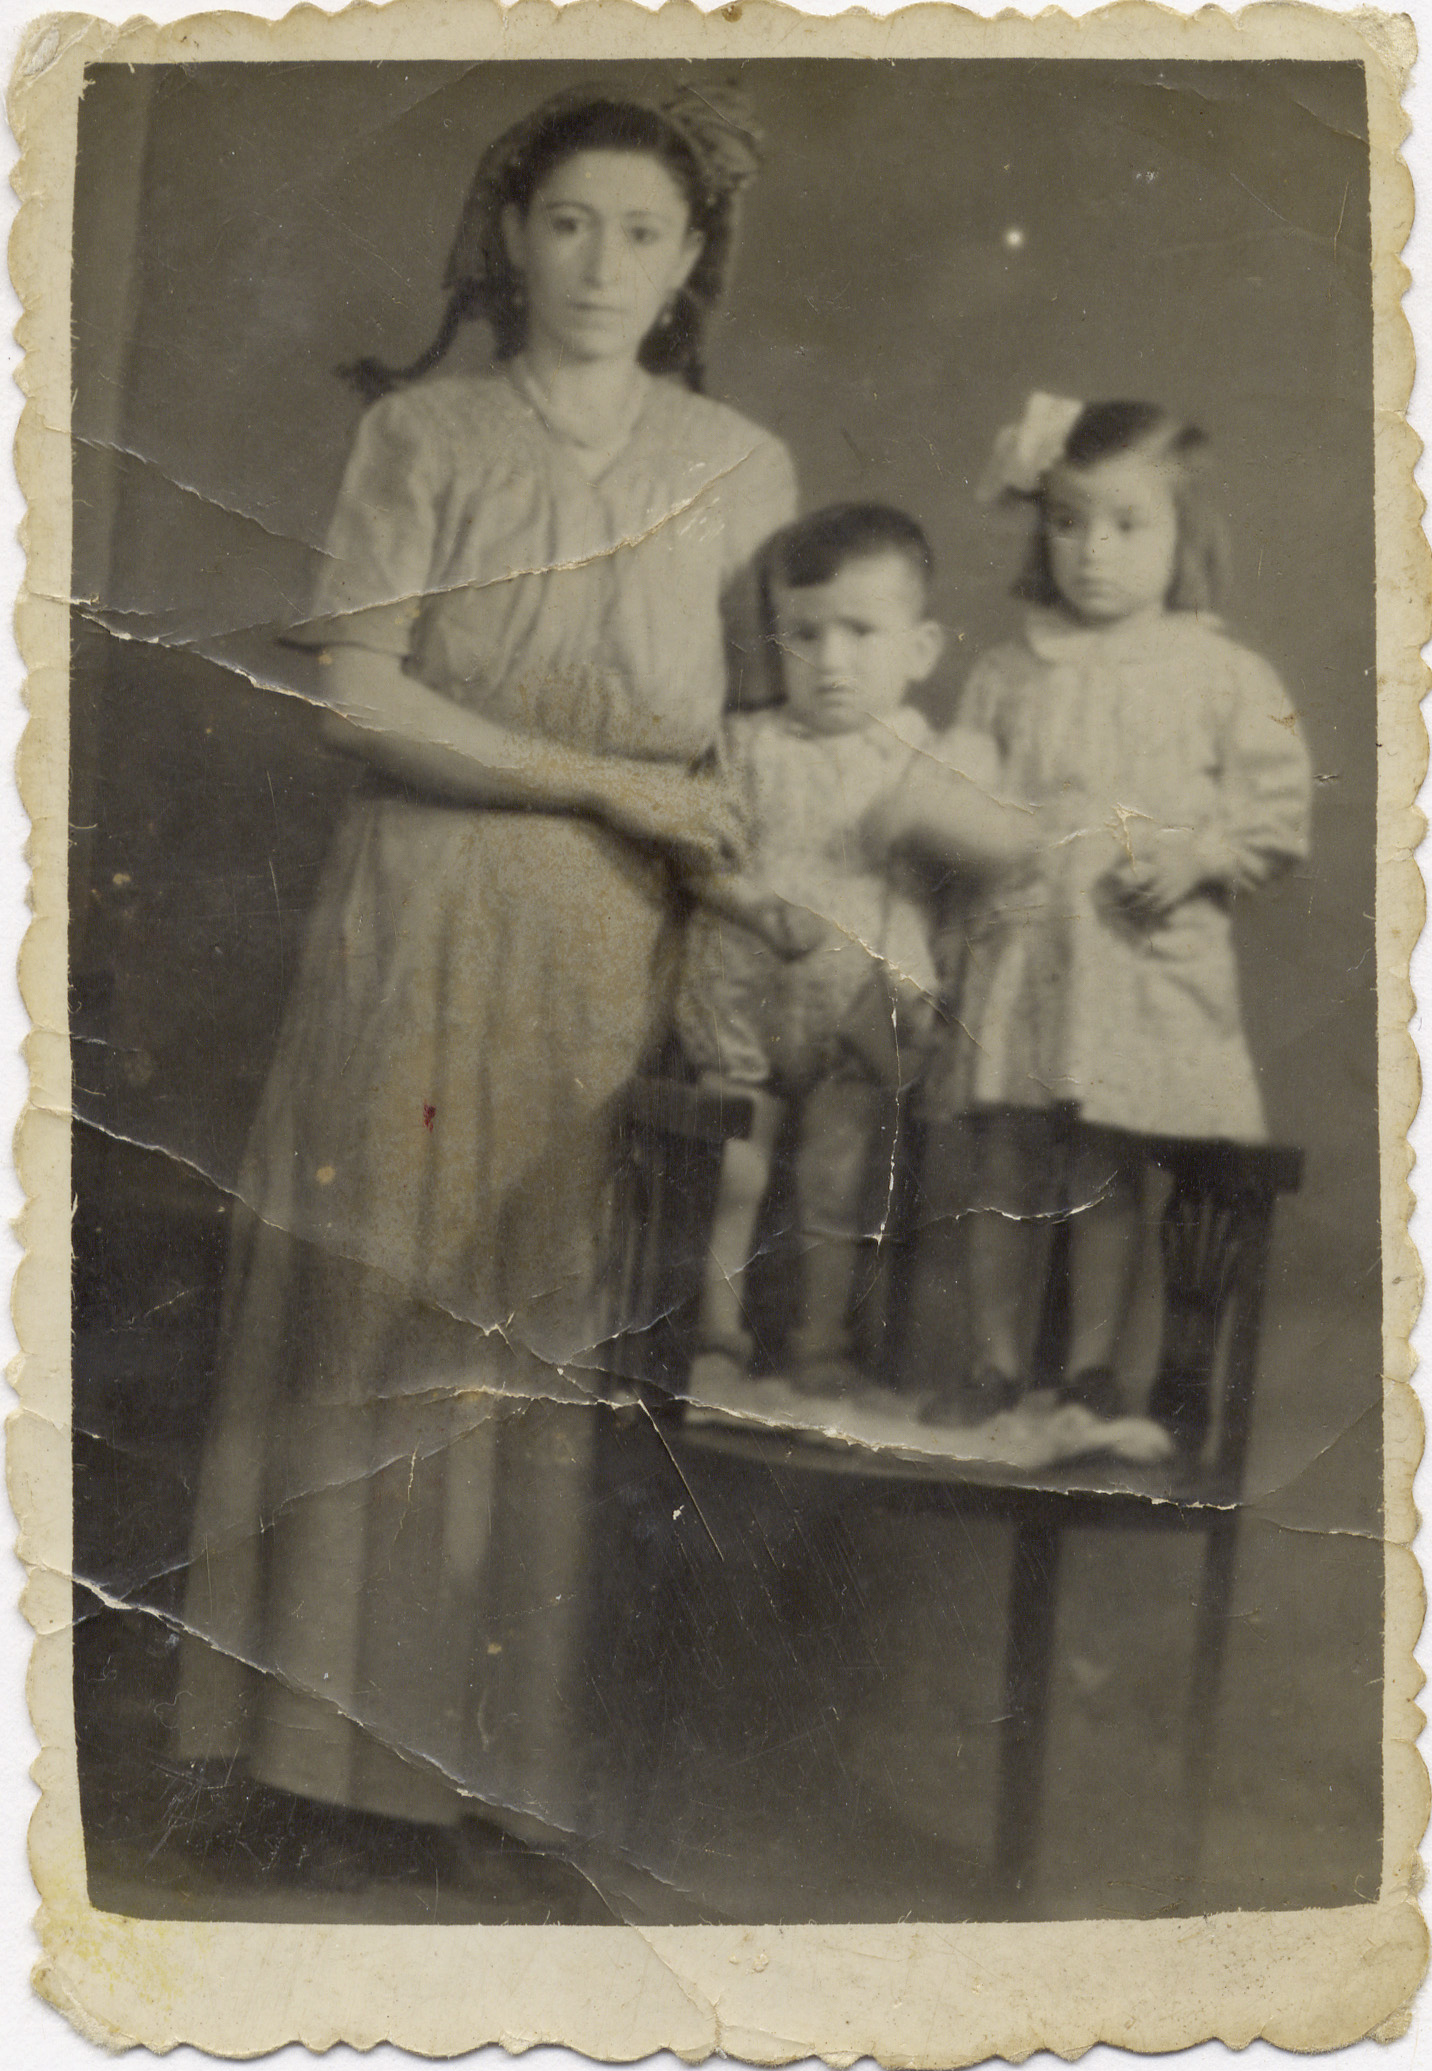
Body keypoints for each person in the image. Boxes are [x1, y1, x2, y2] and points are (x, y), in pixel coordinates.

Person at [173, 82, 795, 1891]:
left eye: (642, 233)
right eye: (569, 223)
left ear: (688, 262)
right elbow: (358, 693)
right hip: (426, 910)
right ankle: (316, 1770)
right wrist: (605, 782)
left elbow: (761, 736)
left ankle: (507, 1782)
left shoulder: (742, 463)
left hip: (623, 940)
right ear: (514, 236)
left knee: (554, 1322)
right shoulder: (424, 432)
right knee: (381, 1290)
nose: (600, 263)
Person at [913, 394, 1313, 1429]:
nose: (1093, 551)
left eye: (1128, 524)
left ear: (1185, 534)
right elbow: (961, 805)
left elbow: (1274, 816)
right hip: (1022, 952)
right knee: (1002, 1157)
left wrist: (1196, 856)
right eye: (1067, 521)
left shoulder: (1222, 673)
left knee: (1106, 1164)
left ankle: (1091, 1367)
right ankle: (993, 1363)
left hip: (1134, 961)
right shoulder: (1009, 673)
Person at [674, 504, 1032, 1400]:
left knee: (837, 1182)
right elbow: (698, 853)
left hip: (857, 1007)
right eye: (805, 634)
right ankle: (718, 1334)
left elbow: (999, 847)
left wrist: (938, 818)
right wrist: (753, 904)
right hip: (746, 989)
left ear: (919, 649)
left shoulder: (926, 758)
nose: (830, 661)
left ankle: (821, 1344)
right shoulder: (747, 743)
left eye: (861, 633)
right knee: (734, 1170)